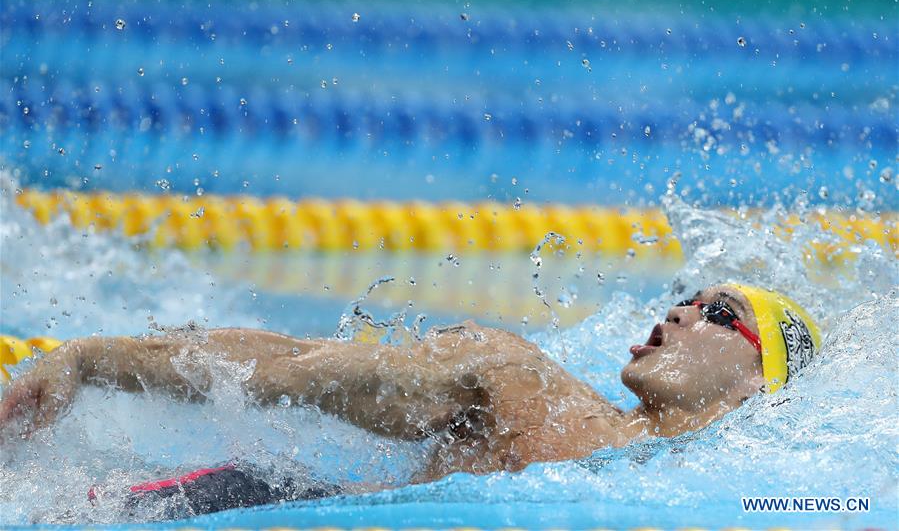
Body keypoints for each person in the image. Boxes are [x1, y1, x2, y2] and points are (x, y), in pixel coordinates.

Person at [0, 283, 821, 517]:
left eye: (718, 313)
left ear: (759, 382)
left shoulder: (755, 499)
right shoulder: (520, 382)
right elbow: (298, 365)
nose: (675, 313)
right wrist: (92, 360)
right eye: (681, 298)